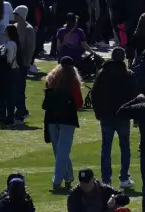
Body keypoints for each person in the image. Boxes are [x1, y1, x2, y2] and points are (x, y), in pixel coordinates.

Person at [90, 49, 136, 192]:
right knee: (125, 147)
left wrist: (97, 112)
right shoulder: (128, 74)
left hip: (106, 115)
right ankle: (124, 178)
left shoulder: (102, 74)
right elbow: (134, 96)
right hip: (122, 115)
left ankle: (106, 179)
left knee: (106, 148)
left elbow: (94, 94)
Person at [43, 56, 86, 193]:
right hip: (67, 119)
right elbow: (79, 103)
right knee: (63, 150)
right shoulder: (73, 81)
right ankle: (57, 180)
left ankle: (68, 177)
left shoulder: (51, 79)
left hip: (51, 118)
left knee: (58, 150)